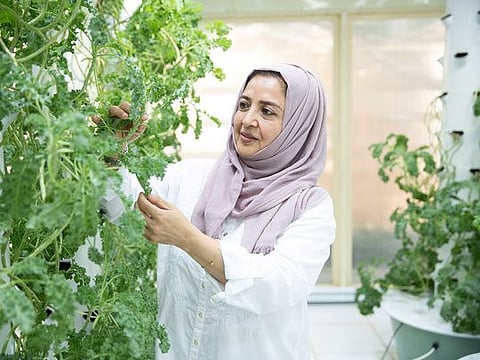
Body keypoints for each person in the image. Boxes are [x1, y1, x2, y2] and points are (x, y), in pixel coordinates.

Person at [102, 63, 336, 360]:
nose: (247, 120)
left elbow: (279, 284)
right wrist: (112, 151)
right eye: (244, 104)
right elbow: (122, 207)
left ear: (298, 127)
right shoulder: (191, 177)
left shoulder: (311, 207)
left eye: (267, 111)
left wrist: (188, 239)